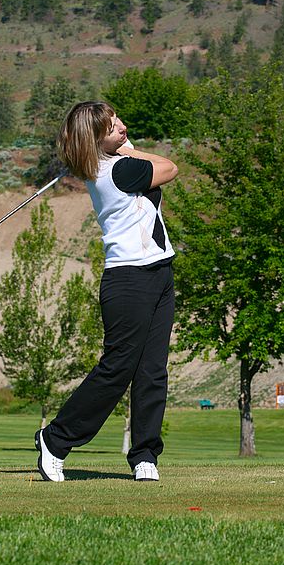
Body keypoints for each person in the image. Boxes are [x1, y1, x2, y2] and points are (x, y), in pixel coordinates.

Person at [35, 101, 178, 482]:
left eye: (119, 121)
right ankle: (56, 438)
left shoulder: (109, 165)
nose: (124, 128)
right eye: (115, 127)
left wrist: (118, 145)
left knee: (152, 371)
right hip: (130, 279)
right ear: (96, 139)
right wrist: (128, 149)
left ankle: (145, 454)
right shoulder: (119, 170)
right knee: (117, 369)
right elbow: (170, 168)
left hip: (159, 271)